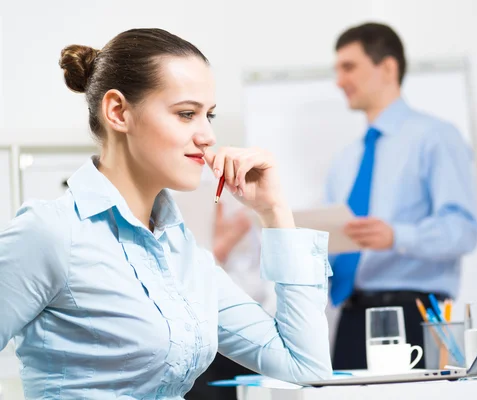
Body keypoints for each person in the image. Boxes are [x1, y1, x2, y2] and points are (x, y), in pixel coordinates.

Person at [0, 28, 332, 399]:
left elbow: (307, 366)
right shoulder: (51, 233)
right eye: (187, 114)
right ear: (118, 112)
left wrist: (274, 212)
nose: (207, 135)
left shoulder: (183, 252)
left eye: (210, 115)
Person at [327, 22, 477, 370]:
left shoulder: (436, 138)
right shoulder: (344, 161)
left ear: (388, 67)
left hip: (419, 316)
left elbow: (463, 229)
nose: (339, 81)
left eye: (348, 67)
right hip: (352, 321)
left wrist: (396, 236)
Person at [181, 169, 275, 400]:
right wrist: (220, 249)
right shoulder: (188, 203)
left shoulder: (263, 222)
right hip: (205, 344)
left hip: (256, 341)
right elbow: (184, 287)